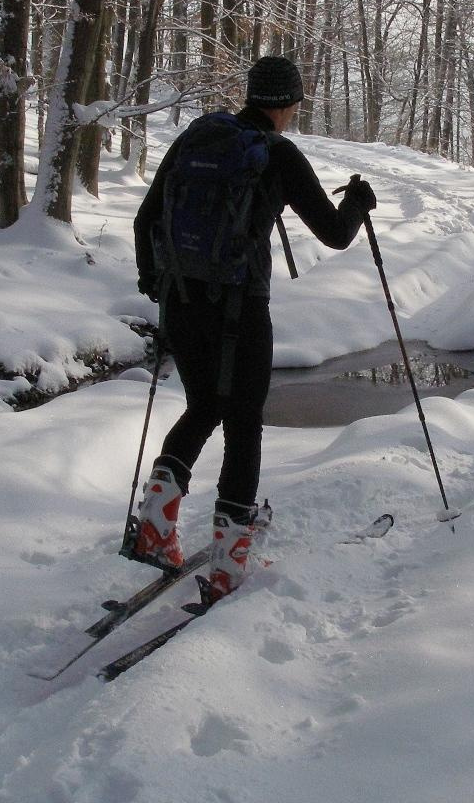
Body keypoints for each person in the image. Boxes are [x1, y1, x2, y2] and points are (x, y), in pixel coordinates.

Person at [130, 55, 376, 605]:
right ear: (289, 103)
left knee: (202, 406)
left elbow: (145, 219)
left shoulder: (199, 137)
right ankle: (228, 564)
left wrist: (157, 284)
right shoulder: (278, 154)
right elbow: (335, 234)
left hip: (183, 301)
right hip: (240, 310)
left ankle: (154, 525)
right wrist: (357, 203)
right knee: (243, 425)